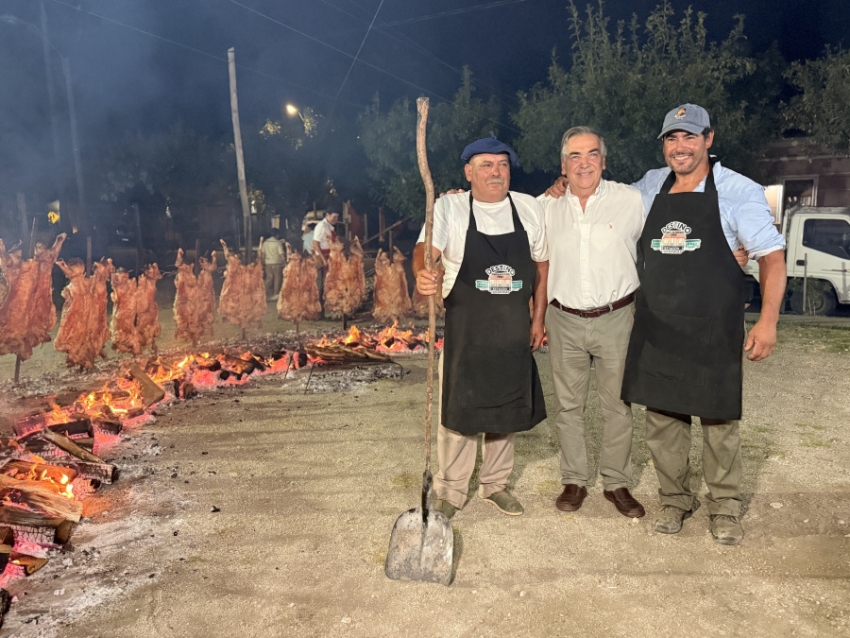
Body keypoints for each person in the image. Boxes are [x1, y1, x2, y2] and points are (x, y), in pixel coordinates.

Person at [621, 104, 786, 545]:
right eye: (672, 139)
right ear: (663, 145)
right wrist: (564, 186)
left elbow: (771, 257)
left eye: (690, 137)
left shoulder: (738, 191)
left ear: (709, 140)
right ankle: (675, 501)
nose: (681, 147)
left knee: (718, 424)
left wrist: (768, 322)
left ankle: (725, 507)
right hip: (658, 326)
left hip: (713, 327)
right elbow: (603, 201)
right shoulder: (651, 185)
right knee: (663, 423)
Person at [414, 133, 549, 520]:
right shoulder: (450, 207)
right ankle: (451, 490)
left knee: (505, 408)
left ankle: (496, 485)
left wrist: (538, 318)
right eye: (486, 165)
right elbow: (426, 252)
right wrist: (423, 273)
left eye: (503, 164)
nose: (496, 172)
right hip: (467, 331)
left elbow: (541, 266)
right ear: (468, 172)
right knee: (458, 411)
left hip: (510, 328)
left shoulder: (528, 208)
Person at [539, 127, 647, 518]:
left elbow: (673, 222)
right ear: (563, 165)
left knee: (617, 406)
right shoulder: (545, 207)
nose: (584, 163)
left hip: (617, 317)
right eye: (574, 156)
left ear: (604, 159)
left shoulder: (630, 200)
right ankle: (574, 479)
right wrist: (453, 201)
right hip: (564, 318)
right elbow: (500, 214)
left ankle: (616, 482)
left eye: (592, 154)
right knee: (569, 407)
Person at [312, 209, 339, 297]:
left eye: (337, 217)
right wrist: (323, 259)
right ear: (327, 215)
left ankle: (325, 300)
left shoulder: (329, 226)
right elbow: (315, 243)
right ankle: (318, 304)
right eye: (334, 217)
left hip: (329, 255)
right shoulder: (321, 226)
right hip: (321, 256)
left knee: (328, 279)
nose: (336, 219)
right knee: (320, 282)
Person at [261, 229, 286, 299]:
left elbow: (263, 254)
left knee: (269, 278)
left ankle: (262, 290)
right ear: (277, 234)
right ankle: (276, 293)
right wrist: (285, 262)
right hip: (276, 262)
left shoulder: (265, 242)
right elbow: (281, 254)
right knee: (277, 277)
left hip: (268, 262)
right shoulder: (277, 243)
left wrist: (263, 261)